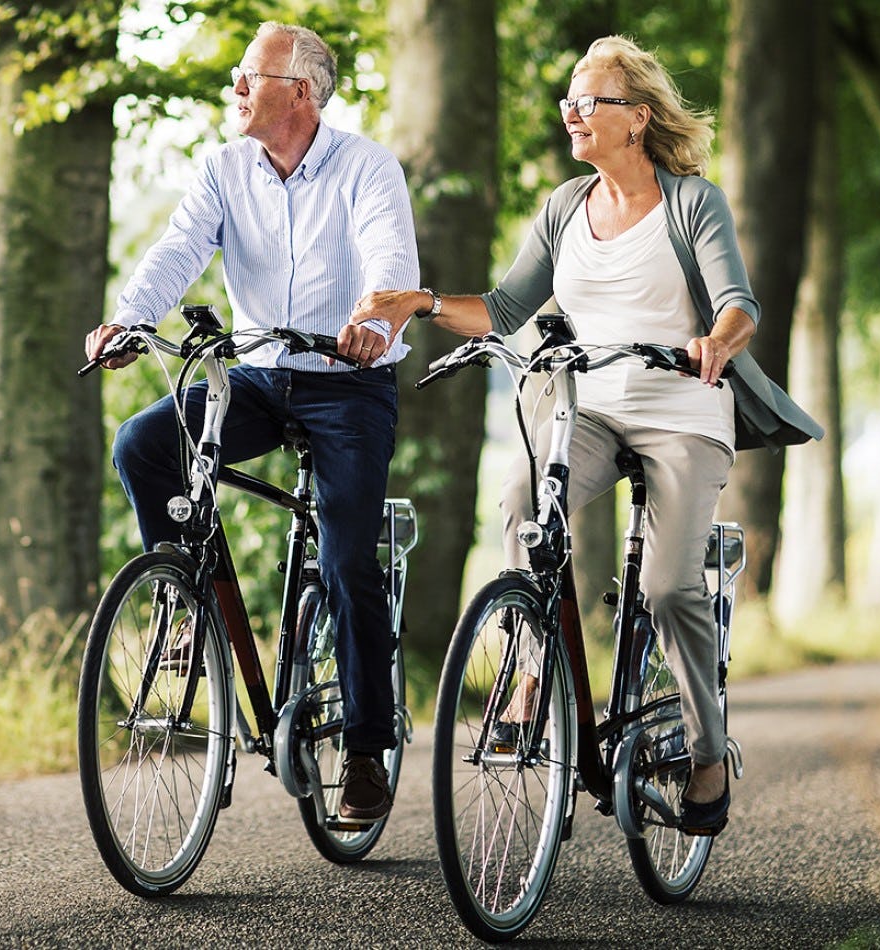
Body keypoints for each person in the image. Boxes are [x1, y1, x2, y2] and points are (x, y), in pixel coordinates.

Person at [344, 35, 820, 836]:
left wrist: (717, 342)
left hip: (682, 410)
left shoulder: (692, 203)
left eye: (587, 100)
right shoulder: (564, 206)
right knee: (525, 502)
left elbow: (739, 302)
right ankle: (535, 681)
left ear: (635, 118)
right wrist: (418, 303)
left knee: (669, 589)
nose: (571, 112)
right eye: (568, 99)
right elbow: (502, 308)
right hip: (589, 409)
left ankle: (708, 752)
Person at [85, 21, 419, 822]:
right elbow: (177, 248)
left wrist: (375, 319)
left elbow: (388, 258)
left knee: (345, 556)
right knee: (144, 443)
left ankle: (368, 751)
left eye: (249, 76)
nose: (235, 88)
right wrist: (130, 319)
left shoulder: (367, 168)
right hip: (261, 378)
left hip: (349, 380)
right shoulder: (225, 168)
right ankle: (181, 596)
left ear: (299, 92)